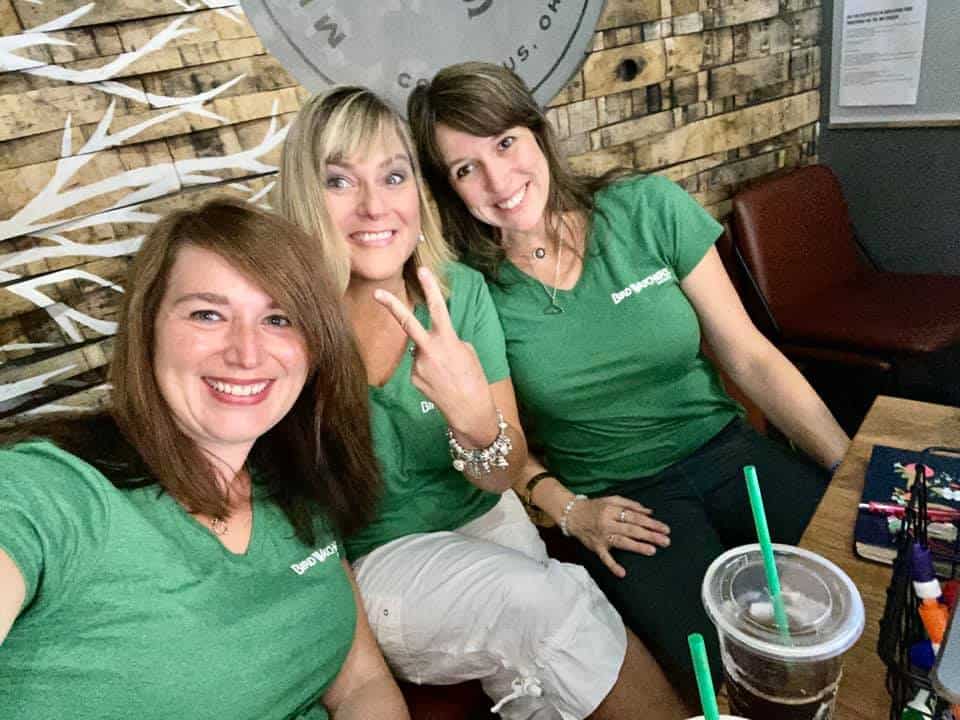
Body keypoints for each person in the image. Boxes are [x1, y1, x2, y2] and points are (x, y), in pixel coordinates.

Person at [407, 61, 852, 693]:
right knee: (726, 682)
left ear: (537, 134)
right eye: (464, 168)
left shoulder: (647, 209)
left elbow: (750, 358)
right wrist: (570, 511)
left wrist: (848, 470)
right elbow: (501, 441)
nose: (498, 180)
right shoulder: (476, 294)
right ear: (447, 188)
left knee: (857, 594)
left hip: (730, 453)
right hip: (626, 502)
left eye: (505, 143)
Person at [277, 87, 687, 720]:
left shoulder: (459, 290)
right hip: (383, 559)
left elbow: (502, 473)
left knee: (543, 679)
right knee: (549, 603)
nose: (373, 206)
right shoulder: (286, 327)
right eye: (339, 182)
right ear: (306, 195)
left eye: (393, 175)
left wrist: (472, 420)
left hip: (487, 514)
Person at [0, 200, 409, 720]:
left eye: (279, 318)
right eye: (207, 314)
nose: (246, 352)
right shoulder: (49, 494)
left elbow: (361, 685)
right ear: (146, 329)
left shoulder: (295, 484)